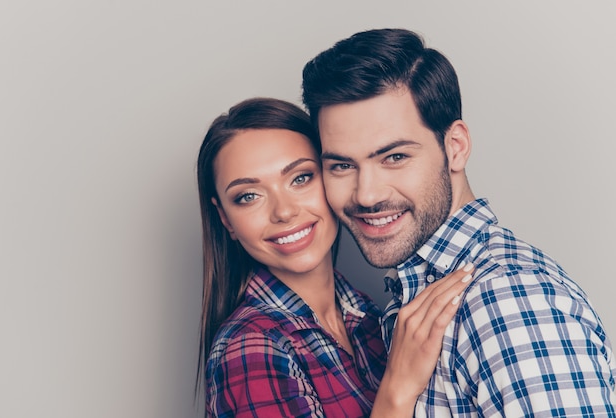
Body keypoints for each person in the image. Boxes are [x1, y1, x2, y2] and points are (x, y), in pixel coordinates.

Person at [301, 28, 616, 416]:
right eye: (342, 165)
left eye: (395, 157)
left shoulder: (505, 301)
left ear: (456, 147)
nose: (366, 194)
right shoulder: (422, 295)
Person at [197, 97, 475, 417]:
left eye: (301, 178)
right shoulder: (251, 349)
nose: (284, 211)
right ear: (226, 219)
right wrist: (398, 389)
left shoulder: (368, 316)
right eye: (248, 196)